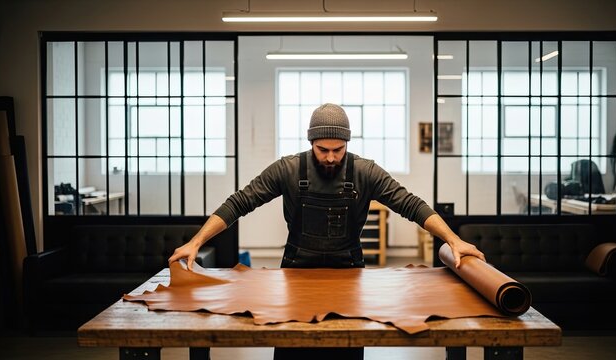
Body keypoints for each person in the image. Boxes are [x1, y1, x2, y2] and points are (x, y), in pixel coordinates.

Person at [169, 103, 485, 360]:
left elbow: (412, 205)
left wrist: (453, 240)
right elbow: (239, 203)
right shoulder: (288, 169)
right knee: (293, 351)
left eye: (339, 149)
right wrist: (196, 242)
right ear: (311, 143)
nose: (331, 157)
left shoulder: (365, 172)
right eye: (323, 150)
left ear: (347, 143)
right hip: (295, 272)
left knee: (345, 348)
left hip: (348, 272)